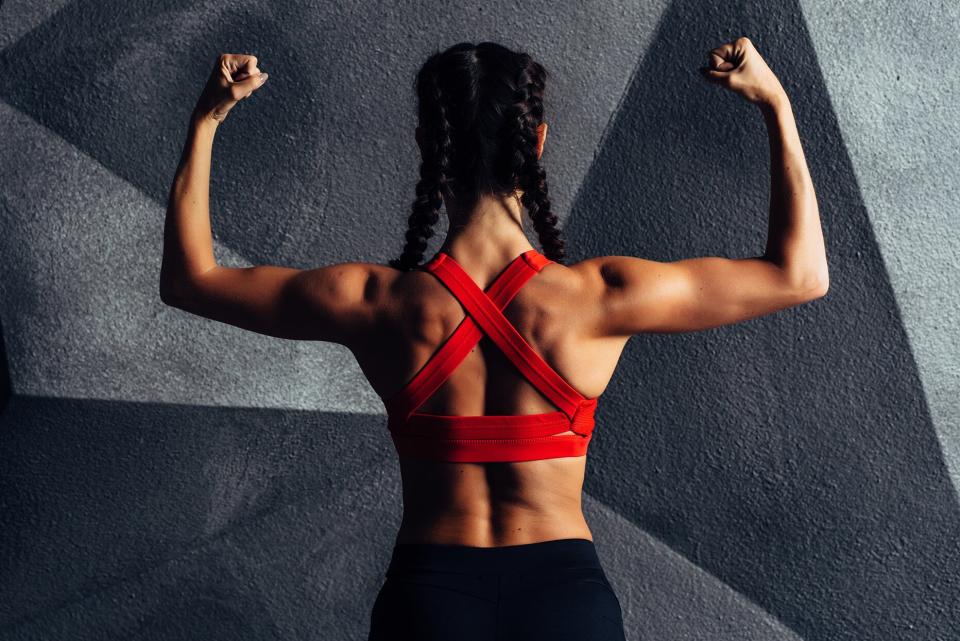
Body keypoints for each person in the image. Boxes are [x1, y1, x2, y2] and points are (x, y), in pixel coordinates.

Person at [160, 37, 827, 641]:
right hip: (563, 602)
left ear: (428, 144)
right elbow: (800, 275)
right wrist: (775, 103)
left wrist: (208, 118)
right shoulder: (601, 297)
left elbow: (191, 280)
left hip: (431, 600)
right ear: (536, 143)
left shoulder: (375, 302)